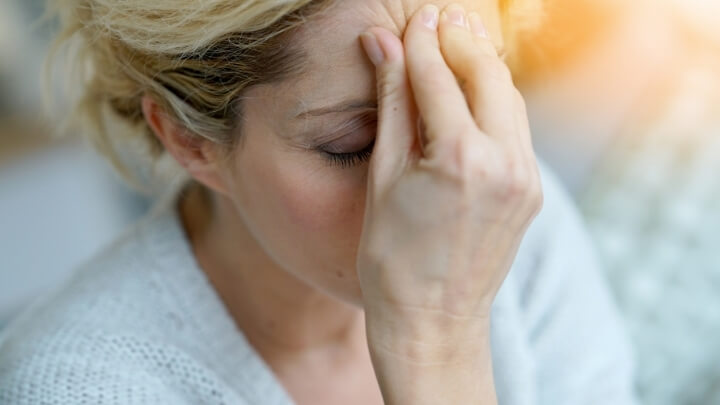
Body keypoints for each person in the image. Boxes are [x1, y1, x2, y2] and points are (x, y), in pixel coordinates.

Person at [0, 1, 637, 404]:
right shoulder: (75, 387)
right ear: (190, 141)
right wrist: (435, 345)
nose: (449, 179)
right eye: (355, 143)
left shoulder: (505, 198)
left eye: (463, 96)